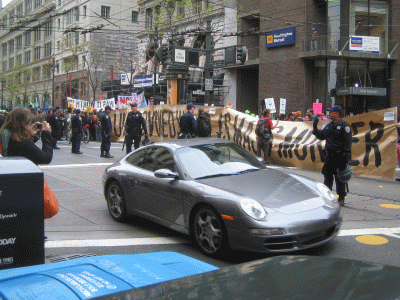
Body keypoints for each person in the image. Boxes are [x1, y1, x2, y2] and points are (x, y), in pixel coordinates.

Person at [312, 105, 352, 206]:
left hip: (340, 156)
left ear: (337, 114)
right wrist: (315, 128)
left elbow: (348, 141)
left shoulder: (344, 126)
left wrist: (344, 154)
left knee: (340, 178)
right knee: (328, 177)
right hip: (330, 156)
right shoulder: (329, 126)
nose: (329, 113)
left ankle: (341, 197)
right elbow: (322, 136)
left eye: (331, 112)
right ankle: (327, 196)